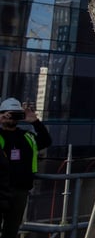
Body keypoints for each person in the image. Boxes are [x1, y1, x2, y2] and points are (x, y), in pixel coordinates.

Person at [0, 98, 52, 238]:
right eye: (4, 113)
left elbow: (46, 140)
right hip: (0, 189)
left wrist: (34, 121)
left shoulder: (27, 137)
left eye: (12, 114)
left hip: (20, 191)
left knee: (11, 231)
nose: (8, 116)